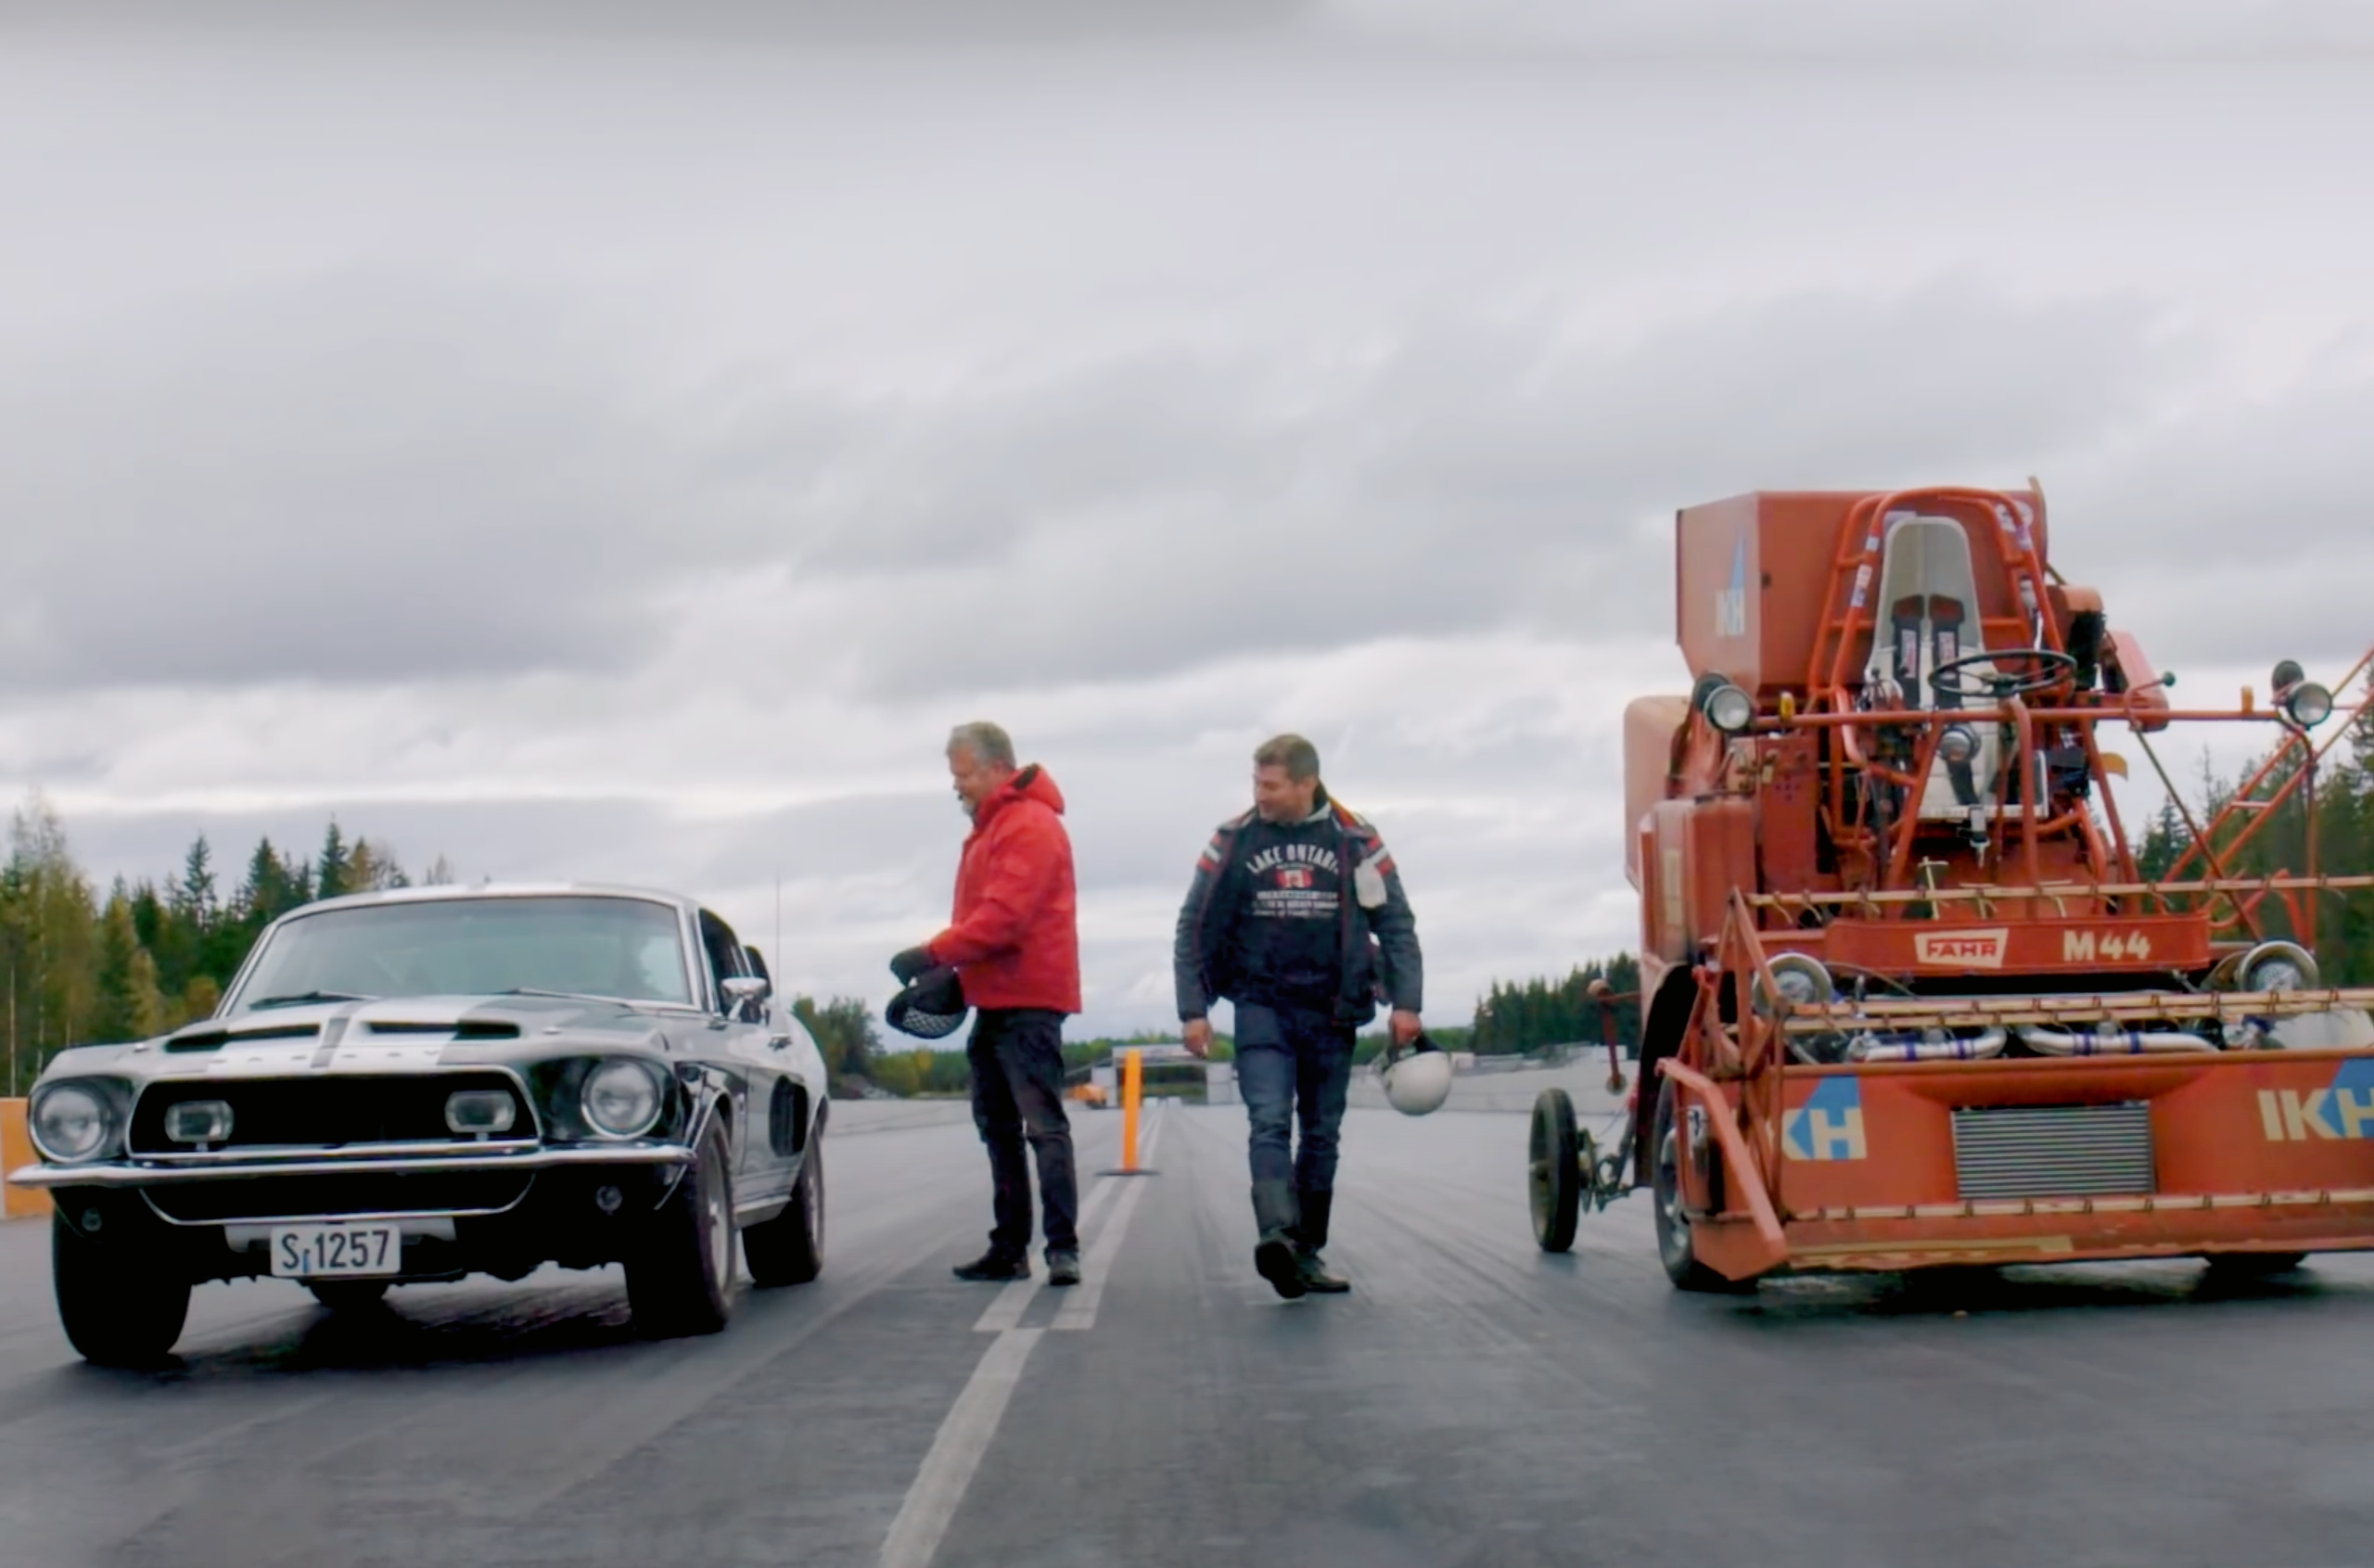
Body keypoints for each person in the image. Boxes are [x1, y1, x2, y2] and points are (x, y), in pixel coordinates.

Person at [1174, 733, 1423, 1299]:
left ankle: (1306, 1252)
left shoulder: (1356, 839)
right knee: (1267, 1120)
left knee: (1320, 1134)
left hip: (1333, 1010)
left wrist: (1407, 1002)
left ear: (1306, 783)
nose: (1259, 794)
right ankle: (1277, 1237)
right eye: (1256, 782)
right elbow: (1191, 924)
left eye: (1271, 784)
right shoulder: (1232, 839)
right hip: (1261, 1006)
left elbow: (1397, 923)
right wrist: (1194, 1009)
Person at [892, 722, 1084, 1287]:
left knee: (1041, 1124)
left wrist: (933, 953)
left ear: (998, 767)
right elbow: (989, 918)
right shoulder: (995, 825)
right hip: (994, 997)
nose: (958, 786)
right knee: (999, 1126)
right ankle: (1010, 1247)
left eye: (964, 774)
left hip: (1028, 1000)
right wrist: (953, 969)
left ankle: (1061, 1249)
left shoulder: (1028, 825)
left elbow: (1005, 918)